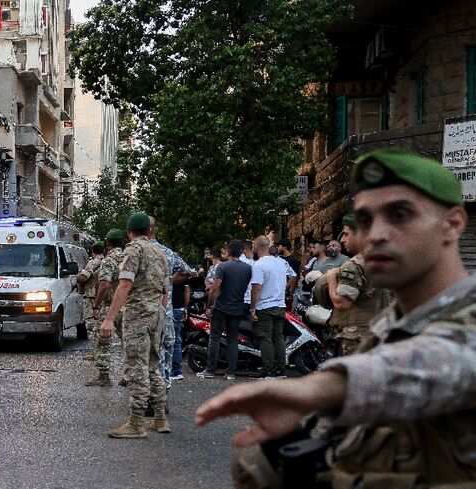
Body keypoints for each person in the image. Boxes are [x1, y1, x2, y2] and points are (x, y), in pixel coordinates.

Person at [195, 148, 476, 487]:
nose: (376, 235)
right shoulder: (391, 325)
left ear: (453, 224)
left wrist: (317, 389)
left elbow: (443, 360)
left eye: (400, 215)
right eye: (366, 220)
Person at [99, 213, 169, 438]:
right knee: (153, 365)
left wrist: (109, 317)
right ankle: (160, 418)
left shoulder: (133, 250)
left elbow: (125, 284)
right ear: (150, 231)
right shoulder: (160, 253)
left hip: (137, 315)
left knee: (135, 366)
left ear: (130, 232)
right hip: (156, 313)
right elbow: (165, 291)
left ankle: (136, 423)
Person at [324, 213, 387, 356]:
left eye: (346, 234)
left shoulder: (354, 265)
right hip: (382, 332)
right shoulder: (386, 260)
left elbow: (342, 303)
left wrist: (331, 279)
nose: (342, 239)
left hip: (357, 339)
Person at [149, 217, 192, 392]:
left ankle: (147, 395)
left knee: (145, 354)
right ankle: (162, 393)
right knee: (165, 351)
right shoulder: (167, 253)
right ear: (154, 230)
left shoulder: (133, 252)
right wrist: (171, 281)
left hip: (143, 313)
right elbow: (188, 271)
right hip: (164, 311)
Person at [199, 241, 252, 380]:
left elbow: (215, 287)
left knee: (215, 338)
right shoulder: (247, 268)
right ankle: (231, 372)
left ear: (228, 252)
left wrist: (209, 306)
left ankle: (210, 371)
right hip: (238, 306)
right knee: (233, 339)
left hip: (222, 306)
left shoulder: (222, 267)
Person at [248, 235, 296, 378]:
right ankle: (281, 369)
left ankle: (267, 369)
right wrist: (287, 290)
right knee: (278, 338)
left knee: (265, 338)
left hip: (264, 306)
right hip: (280, 305)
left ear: (256, 248)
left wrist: (252, 308)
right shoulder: (280, 262)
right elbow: (293, 276)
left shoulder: (259, 264)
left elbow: (256, 287)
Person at [87, 230, 126, 386]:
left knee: (103, 340)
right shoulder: (129, 258)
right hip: (128, 306)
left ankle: (104, 376)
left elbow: (104, 285)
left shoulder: (108, 260)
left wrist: (96, 305)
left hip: (110, 306)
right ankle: (129, 376)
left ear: (108, 243)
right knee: (128, 341)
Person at [77, 241, 105, 362]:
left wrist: (77, 277)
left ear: (93, 251)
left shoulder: (93, 262)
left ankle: (96, 353)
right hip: (103, 296)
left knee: (91, 326)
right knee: (100, 325)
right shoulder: (107, 261)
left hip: (92, 297)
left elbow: (84, 277)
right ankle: (101, 351)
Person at [276, 239, 301, 310]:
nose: (277, 248)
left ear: (285, 247)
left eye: (279, 246)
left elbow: (296, 277)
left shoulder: (294, 260)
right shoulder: (278, 259)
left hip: (288, 291)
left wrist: (290, 292)